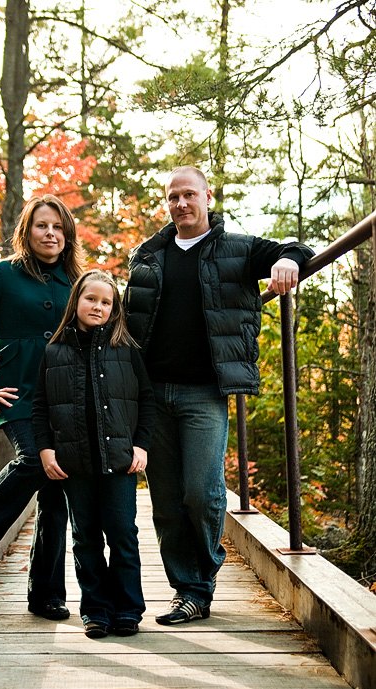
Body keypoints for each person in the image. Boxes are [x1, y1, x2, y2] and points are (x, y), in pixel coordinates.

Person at [124, 166, 314, 625]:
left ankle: (203, 575)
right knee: (166, 499)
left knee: (202, 492)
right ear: (166, 203)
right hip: (154, 394)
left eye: (189, 195)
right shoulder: (147, 254)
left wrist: (288, 261)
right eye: (173, 197)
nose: (181, 204)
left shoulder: (240, 249)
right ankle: (187, 591)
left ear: (208, 196)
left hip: (204, 393)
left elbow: (298, 249)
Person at [0, 194, 84, 621]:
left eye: (58, 228)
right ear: (27, 231)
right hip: (16, 392)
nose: (51, 234)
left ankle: (46, 594)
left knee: (55, 493)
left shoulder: (74, 280)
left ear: (68, 236)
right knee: (32, 461)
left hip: (62, 396)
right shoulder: (3, 274)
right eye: (43, 226)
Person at [32, 270, 156, 638]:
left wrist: (141, 445)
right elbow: (41, 406)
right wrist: (44, 449)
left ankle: (127, 609)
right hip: (74, 463)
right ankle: (96, 610)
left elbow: (145, 400)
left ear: (114, 308)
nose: (98, 306)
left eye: (106, 302)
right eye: (91, 299)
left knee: (122, 534)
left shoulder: (127, 350)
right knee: (85, 538)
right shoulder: (53, 352)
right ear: (76, 302)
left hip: (119, 460)